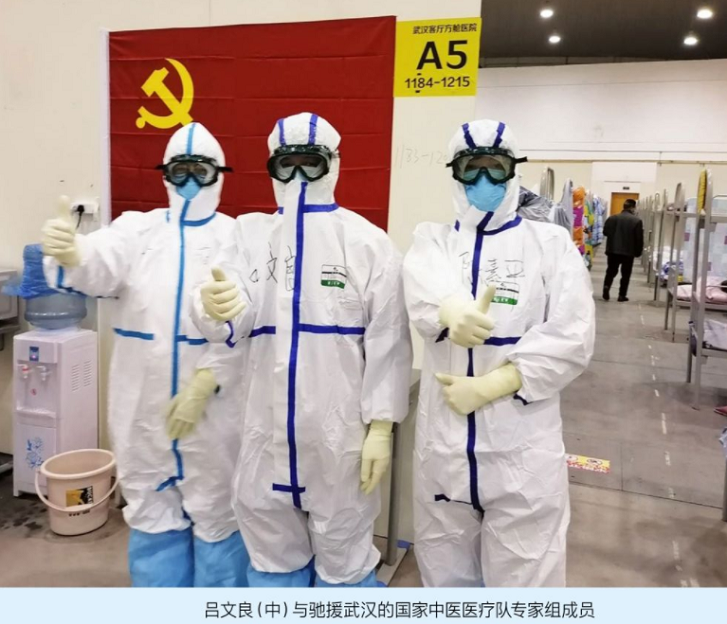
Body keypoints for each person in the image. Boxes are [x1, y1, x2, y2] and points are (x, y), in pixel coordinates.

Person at [192, 112, 412, 587]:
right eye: (285, 164)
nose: (297, 177)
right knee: (272, 558)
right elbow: (224, 317)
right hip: (261, 437)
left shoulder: (367, 243)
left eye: (310, 163)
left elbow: (390, 342)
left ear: (333, 164)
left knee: (345, 561)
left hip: (337, 440)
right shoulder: (248, 236)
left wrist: (381, 427)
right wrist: (213, 306)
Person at [40, 122, 249, 587]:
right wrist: (73, 254)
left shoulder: (238, 239)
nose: (190, 182)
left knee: (218, 512)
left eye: (201, 171)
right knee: (152, 512)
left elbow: (249, 327)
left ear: (220, 176)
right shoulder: (137, 231)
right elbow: (101, 262)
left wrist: (207, 382)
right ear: (165, 175)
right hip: (143, 409)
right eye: (179, 171)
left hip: (216, 410)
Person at [403, 119, 595, 587]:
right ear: (455, 174)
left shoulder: (550, 245)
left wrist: (498, 382)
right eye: (471, 168)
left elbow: (573, 334)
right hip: (444, 450)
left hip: (522, 449)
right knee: (445, 579)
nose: (484, 180)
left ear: (514, 171)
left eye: (496, 166)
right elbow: (423, 286)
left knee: (525, 581)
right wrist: (450, 309)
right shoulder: (433, 240)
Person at [602, 198, 643, 302]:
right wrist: (638, 252)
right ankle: (621, 295)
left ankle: (606, 287)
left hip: (613, 250)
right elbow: (639, 238)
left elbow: (605, 232)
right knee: (626, 274)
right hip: (628, 252)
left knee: (611, 271)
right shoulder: (637, 221)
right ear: (633, 208)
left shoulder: (612, 218)